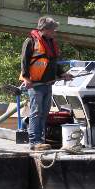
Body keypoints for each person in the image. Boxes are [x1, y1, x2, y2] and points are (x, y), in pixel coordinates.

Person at [20, 15, 64, 151]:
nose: (54, 32)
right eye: (52, 29)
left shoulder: (50, 42)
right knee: (36, 112)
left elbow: (53, 62)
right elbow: (24, 62)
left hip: (47, 84)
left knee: (44, 113)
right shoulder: (31, 41)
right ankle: (34, 141)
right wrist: (26, 79)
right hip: (35, 84)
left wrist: (62, 74)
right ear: (44, 29)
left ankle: (41, 139)